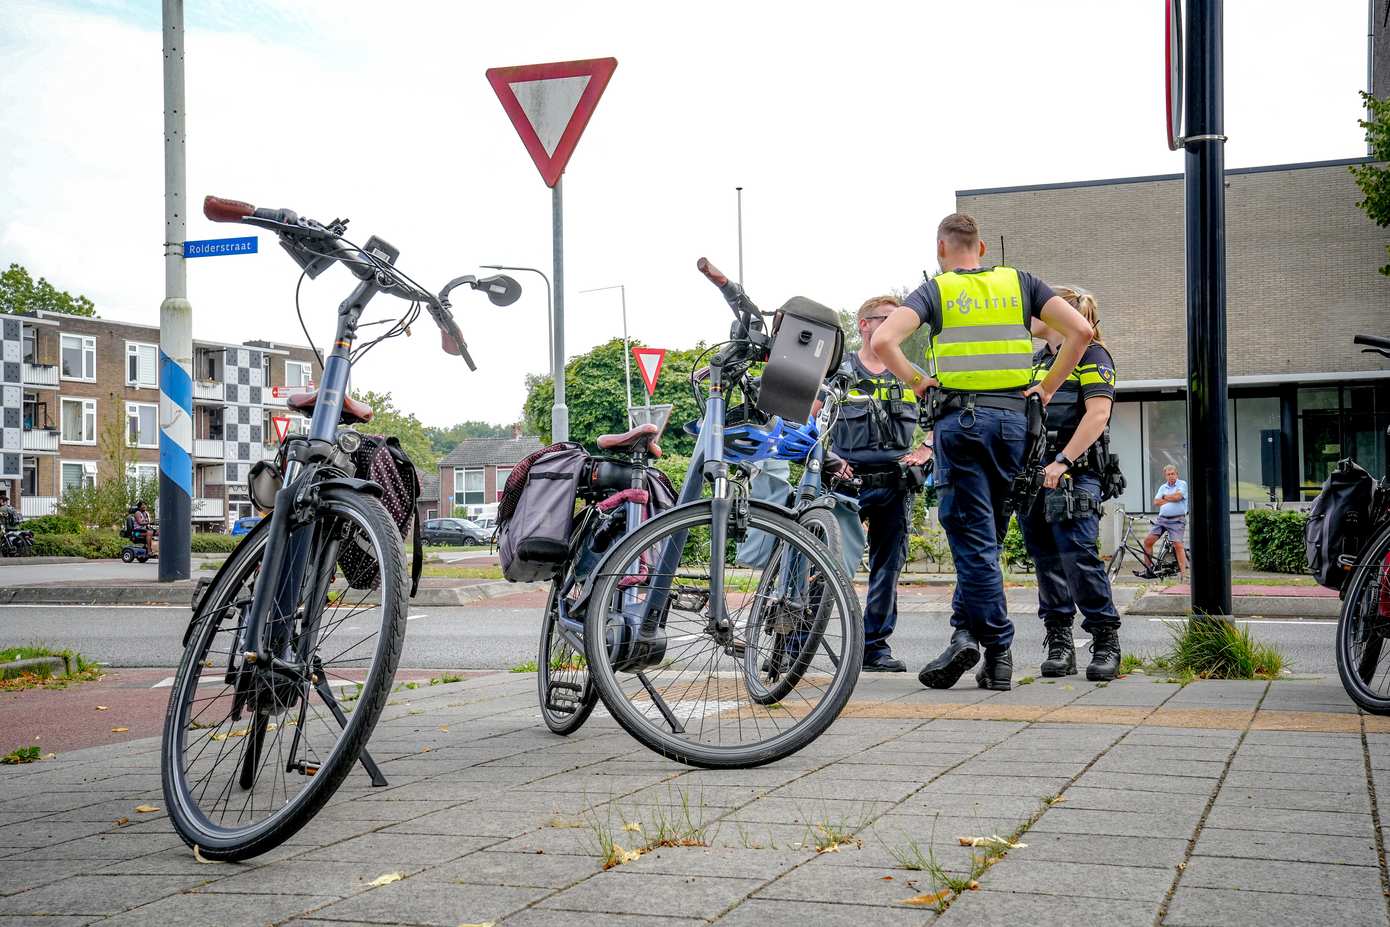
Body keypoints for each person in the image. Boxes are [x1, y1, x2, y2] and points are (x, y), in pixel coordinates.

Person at [873, 213, 1094, 691]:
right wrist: (1048, 387)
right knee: (987, 539)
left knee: (972, 543)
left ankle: (997, 650)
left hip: (963, 424)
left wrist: (917, 382)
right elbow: (1081, 332)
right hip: (1017, 424)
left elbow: (882, 339)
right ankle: (963, 635)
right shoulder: (1022, 284)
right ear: (982, 250)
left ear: (940, 247)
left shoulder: (937, 290)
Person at [1018, 286, 1123, 681]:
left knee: (1077, 554)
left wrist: (1062, 461)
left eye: (1038, 309)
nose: (1030, 315)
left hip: (1075, 473)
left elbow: (1097, 416)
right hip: (1035, 474)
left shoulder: (1093, 354)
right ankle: (1059, 640)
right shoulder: (1036, 362)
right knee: (1045, 559)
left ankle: (1105, 638)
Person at [830, 295, 933, 673]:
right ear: (865, 324)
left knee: (887, 567)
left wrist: (925, 449)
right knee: (826, 563)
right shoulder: (839, 372)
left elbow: (943, 415)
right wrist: (829, 460)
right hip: (844, 481)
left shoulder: (909, 371)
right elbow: (807, 420)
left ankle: (875, 648)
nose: (897, 325)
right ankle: (798, 643)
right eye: (888, 319)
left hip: (894, 482)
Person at [1139, 464, 1187, 579]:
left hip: (1177, 520)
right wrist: (1171, 498)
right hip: (1162, 520)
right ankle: (1149, 570)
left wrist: (1165, 498)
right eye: (1168, 474)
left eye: (1172, 474)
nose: (1171, 476)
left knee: (1178, 545)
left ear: (1177, 474)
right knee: (1148, 541)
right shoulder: (1162, 487)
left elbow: (1178, 497)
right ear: (1165, 476)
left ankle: (1184, 576)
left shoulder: (1182, 484)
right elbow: (1156, 502)